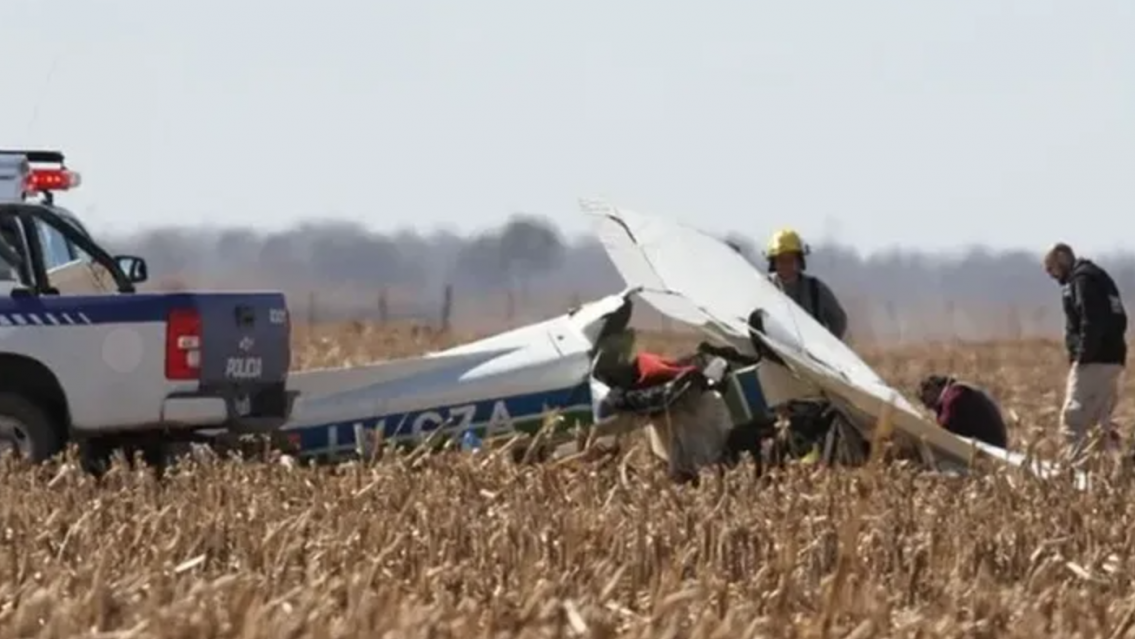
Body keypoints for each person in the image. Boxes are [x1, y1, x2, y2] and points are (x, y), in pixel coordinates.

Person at [1043, 243, 1127, 459]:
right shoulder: (1099, 278)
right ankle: (1114, 470)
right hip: (1112, 359)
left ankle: (1078, 475)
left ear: (1062, 260)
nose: (1053, 277)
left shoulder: (1082, 280)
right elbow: (1119, 317)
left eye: (1052, 269)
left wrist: (1083, 356)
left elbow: (1091, 320)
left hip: (1094, 362)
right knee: (1099, 422)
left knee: (1075, 419)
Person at [764, 228, 849, 340]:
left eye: (790, 259)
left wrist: (828, 346)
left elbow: (838, 319)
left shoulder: (815, 289)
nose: (786, 265)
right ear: (773, 263)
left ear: (799, 261)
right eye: (781, 260)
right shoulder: (764, 287)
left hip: (809, 354)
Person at [917, 374, 1009, 448]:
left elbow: (946, 426)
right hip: (994, 443)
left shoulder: (955, 396)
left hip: (991, 447)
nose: (926, 405)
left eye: (924, 398)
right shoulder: (957, 390)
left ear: (933, 388)